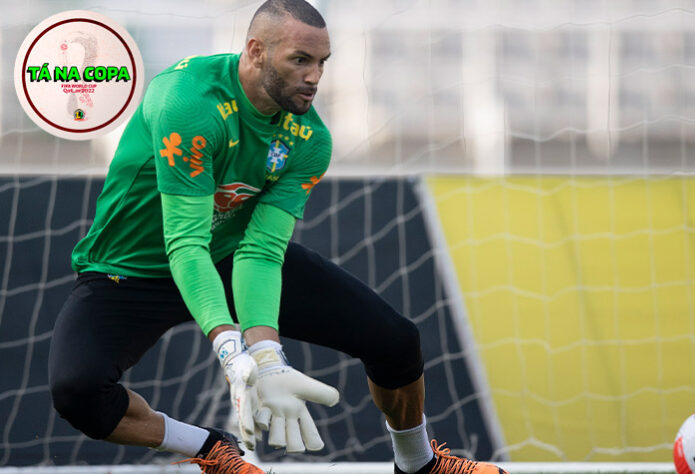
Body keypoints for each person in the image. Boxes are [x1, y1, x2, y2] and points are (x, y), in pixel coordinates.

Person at [47, 1, 509, 473]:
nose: (314, 77)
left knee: (396, 341)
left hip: (228, 254)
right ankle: (208, 448)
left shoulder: (309, 139)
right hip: (130, 270)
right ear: (256, 52)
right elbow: (184, 243)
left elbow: (262, 250)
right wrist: (232, 350)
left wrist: (266, 356)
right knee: (76, 390)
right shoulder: (188, 101)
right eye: (300, 60)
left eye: (322, 62)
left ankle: (420, 464)